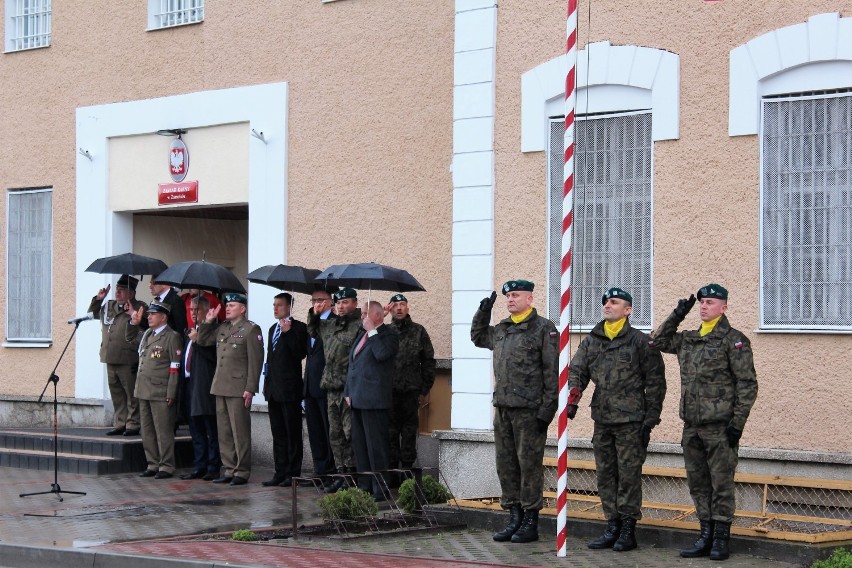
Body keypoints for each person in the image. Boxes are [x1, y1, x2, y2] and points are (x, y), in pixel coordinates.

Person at [651, 284, 758, 561]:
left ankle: (721, 538)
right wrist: (677, 314)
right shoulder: (690, 339)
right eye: (701, 303)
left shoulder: (734, 340)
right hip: (692, 426)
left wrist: (738, 424)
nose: (703, 307)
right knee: (698, 484)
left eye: (710, 302)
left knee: (721, 483)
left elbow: (747, 385)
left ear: (723, 307)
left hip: (721, 428)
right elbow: (659, 341)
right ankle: (705, 534)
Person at [567, 287, 666, 552]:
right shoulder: (592, 341)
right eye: (605, 302)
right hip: (603, 418)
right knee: (606, 475)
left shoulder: (640, 342)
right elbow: (577, 370)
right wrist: (573, 399)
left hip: (631, 421)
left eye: (614, 302)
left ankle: (627, 529)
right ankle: (612, 525)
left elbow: (656, 383)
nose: (607, 306)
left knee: (629, 475)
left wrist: (650, 420)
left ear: (628, 309)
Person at [470, 280, 558, 544]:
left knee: (529, 466)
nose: (510, 299)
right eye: (508, 295)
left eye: (516, 295)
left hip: (530, 411)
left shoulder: (543, 328)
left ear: (529, 299)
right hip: (504, 408)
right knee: (506, 465)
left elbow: (552, 372)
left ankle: (530, 520)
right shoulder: (501, 330)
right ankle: (514, 516)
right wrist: (483, 311)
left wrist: (547, 409)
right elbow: (477, 337)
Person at [196, 292, 264, 486]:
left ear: (242, 308)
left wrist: (250, 388)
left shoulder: (251, 330)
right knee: (224, 431)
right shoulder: (222, 328)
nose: (228, 308)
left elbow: (255, 362)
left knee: (239, 431)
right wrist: (208, 322)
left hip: (238, 387)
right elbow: (202, 340)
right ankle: (229, 468)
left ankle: (242, 471)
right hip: (220, 385)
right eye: (227, 305)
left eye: (232, 305)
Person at [307, 287, 361, 493]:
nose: (341, 306)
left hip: (348, 388)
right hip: (330, 388)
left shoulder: (358, 326)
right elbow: (312, 330)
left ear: (354, 303)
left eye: (345, 302)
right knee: (335, 434)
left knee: (350, 434)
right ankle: (342, 473)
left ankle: (354, 474)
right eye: (338, 303)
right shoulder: (329, 325)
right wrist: (315, 312)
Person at [344, 301, 399, 500]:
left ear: (377, 316)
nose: (362, 317)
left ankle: (380, 487)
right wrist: (347, 392)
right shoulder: (362, 334)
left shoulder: (389, 335)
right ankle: (364, 484)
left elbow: (382, 354)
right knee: (360, 446)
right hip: (357, 398)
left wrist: (372, 332)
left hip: (374, 400)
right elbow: (353, 366)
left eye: (366, 313)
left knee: (376, 446)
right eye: (362, 314)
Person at [125, 301, 182, 479]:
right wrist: (133, 324)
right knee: (147, 430)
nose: (148, 317)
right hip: (143, 390)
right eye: (148, 314)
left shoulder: (171, 337)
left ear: (163, 317)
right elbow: (131, 340)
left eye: (153, 314)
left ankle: (166, 466)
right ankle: (153, 463)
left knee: (163, 431)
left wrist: (171, 392)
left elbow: (175, 367)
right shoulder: (147, 334)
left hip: (160, 391)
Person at [88, 274, 147, 437]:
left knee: (131, 392)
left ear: (132, 293)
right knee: (116, 392)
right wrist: (98, 299)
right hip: (110, 356)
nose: (118, 293)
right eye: (117, 290)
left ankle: (133, 424)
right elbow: (92, 314)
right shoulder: (109, 306)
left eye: (122, 290)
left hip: (128, 357)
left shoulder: (140, 306)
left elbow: (147, 325)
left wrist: (133, 313)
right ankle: (121, 422)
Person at [262, 292, 309, 487]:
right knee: (278, 433)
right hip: (274, 390)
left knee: (292, 433)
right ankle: (279, 471)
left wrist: (289, 333)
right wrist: (266, 385)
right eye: (274, 305)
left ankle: (292, 472)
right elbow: (270, 361)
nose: (275, 308)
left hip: (290, 390)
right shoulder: (272, 328)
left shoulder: (299, 328)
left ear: (289, 306)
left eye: (279, 305)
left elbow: (300, 353)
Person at [386, 294, 435, 473]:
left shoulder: (418, 331)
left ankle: (406, 472)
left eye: (402, 304)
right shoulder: (384, 331)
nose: (399, 308)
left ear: (407, 308)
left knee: (408, 434)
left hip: (411, 392)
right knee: (389, 434)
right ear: (389, 308)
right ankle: (391, 473)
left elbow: (428, 361)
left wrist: (424, 389)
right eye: (395, 305)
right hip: (388, 393)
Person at [179, 295, 221, 481]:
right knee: (195, 429)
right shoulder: (189, 332)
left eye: (197, 310)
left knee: (210, 429)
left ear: (207, 311)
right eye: (191, 310)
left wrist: (198, 340)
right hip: (189, 385)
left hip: (205, 386)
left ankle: (213, 466)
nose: (193, 313)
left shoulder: (213, 331)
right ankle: (199, 465)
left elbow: (214, 357)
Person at [303, 287, 337, 481]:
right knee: (315, 432)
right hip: (310, 385)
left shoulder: (334, 322)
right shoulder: (312, 325)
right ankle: (320, 470)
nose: (316, 303)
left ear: (329, 302)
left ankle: (331, 471)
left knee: (328, 431)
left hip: (326, 385)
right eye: (313, 300)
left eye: (320, 300)